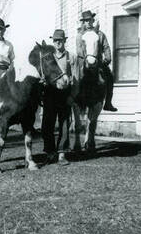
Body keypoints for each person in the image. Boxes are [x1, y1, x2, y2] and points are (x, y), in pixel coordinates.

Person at [41, 29, 77, 165]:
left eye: (60, 40)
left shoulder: (71, 57)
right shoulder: (48, 57)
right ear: (53, 42)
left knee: (64, 124)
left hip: (65, 95)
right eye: (56, 41)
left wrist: (72, 96)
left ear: (64, 41)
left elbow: (76, 78)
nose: (58, 43)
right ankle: (50, 152)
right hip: (50, 94)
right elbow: (43, 74)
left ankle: (61, 154)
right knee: (47, 125)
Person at [76, 10, 117, 112]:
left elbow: (106, 47)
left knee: (109, 76)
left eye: (89, 20)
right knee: (76, 77)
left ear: (93, 20)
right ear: (83, 22)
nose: (88, 23)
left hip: (97, 62)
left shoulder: (100, 34)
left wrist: (107, 59)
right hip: (84, 61)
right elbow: (79, 50)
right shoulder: (80, 35)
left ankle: (108, 103)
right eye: (85, 21)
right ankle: (76, 100)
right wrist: (85, 58)